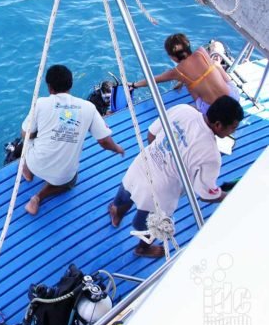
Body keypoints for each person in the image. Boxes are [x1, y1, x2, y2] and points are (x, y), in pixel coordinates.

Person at [108, 95, 244, 258]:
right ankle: (142, 248)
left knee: (126, 192)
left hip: (141, 165)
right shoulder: (212, 155)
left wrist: (162, 157)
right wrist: (227, 196)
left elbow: (151, 134)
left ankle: (116, 213)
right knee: (153, 225)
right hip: (160, 192)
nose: (233, 131)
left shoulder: (183, 110)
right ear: (218, 125)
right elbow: (206, 194)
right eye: (233, 128)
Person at [22, 65, 125, 215]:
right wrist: (117, 148)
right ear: (71, 84)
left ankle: (28, 169)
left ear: (50, 88)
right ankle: (38, 197)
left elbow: (26, 134)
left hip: (35, 162)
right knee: (69, 182)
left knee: (29, 135)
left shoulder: (41, 103)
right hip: (61, 176)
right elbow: (104, 141)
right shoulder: (89, 107)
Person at [130, 33, 240, 114]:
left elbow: (153, 80)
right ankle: (219, 64)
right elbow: (196, 66)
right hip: (233, 98)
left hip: (213, 111)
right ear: (188, 46)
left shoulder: (177, 72)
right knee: (214, 65)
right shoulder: (201, 52)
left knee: (188, 84)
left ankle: (195, 101)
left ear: (172, 57)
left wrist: (134, 85)